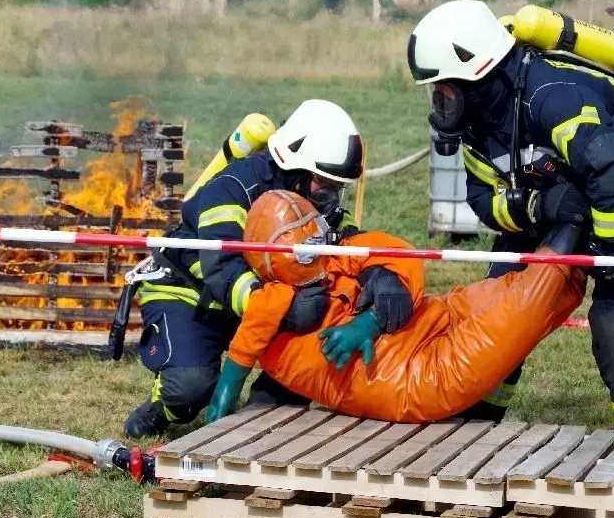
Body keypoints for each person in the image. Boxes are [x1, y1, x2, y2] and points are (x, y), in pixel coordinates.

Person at [405, 0, 614, 438]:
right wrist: (540, 209)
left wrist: (613, 251)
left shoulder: (549, 96)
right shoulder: (479, 124)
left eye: (445, 90)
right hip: (577, 186)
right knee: (500, 301)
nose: (440, 104)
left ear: (478, 75)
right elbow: (484, 199)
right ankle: (475, 420)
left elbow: (611, 168)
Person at [123, 100, 415, 438]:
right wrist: (286, 311)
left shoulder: (310, 197)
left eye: (339, 188)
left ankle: (260, 416)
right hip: (190, 293)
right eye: (325, 184)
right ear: (295, 167)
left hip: (263, 304)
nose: (332, 198)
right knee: (190, 386)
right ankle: (162, 408)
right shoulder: (233, 188)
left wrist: (381, 272)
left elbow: (348, 241)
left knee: (315, 348)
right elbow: (222, 269)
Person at [205, 190, 587, 424]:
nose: (323, 241)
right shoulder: (268, 306)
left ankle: (579, 236)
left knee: (514, 290)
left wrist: (371, 320)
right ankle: (578, 215)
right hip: (419, 377)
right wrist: (208, 445)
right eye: (310, 242)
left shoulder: (333, 256)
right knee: (524, 307)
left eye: (319, 229)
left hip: (435, 315)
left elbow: (399, 252)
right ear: (283, 256)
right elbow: (230, 380)